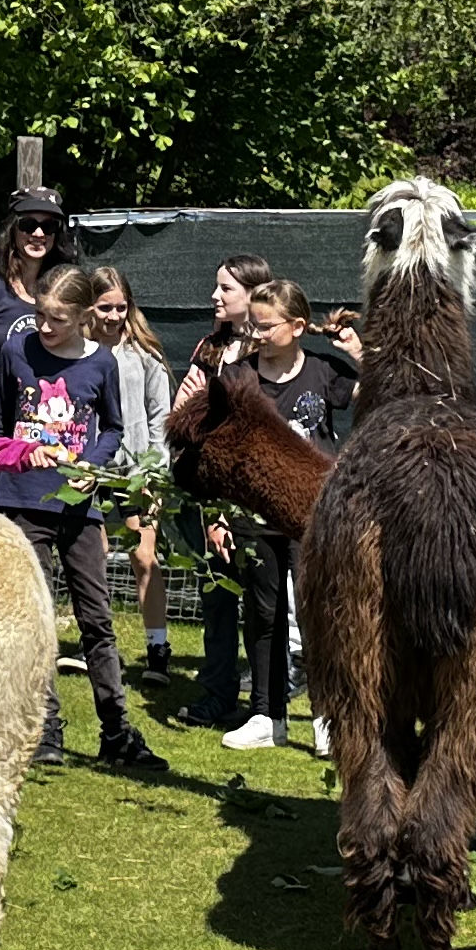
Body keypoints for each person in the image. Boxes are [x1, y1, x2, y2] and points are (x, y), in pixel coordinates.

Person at [0, 262, 140, 770]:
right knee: (36, 622)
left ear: (86, 315)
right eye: (41, 316)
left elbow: (112, 428)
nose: (45, 328)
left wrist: (91, 466)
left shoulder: (102, 364)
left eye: (58, 320)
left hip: (79, 506)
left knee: (97, 619)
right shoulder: (16, 351)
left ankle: (116, 729)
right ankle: (46, 729)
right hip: (23, 503)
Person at [211, 277, 345, 754]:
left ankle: (328, 717)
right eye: (252, 325)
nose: (257, 334)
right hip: (253, 517)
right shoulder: (240, 376)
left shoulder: (326, 372)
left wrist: (359, 349)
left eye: (266, 327)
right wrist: (218, 515)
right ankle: (268, 714)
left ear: (298, 326)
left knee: (319, 616)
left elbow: (380, 392)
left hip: (313, 518)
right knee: (263, 614)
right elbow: (219, 448)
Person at [91, 274, 178, 678]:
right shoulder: (78, 349)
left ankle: (158, 648)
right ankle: (99, 647)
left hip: (138, 469)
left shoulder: (144, 353)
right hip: (90, 469)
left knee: (143, 555)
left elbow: (161, 414)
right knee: (92, 557)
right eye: (104, 307)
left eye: (120, 307)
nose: (112, 316)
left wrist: (154, 468)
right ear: (89, 306)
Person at [0, 184, 70, 340]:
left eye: (48, 226)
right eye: (29, 225)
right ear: (12, 229)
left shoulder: (62, 290)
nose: (39, 234)